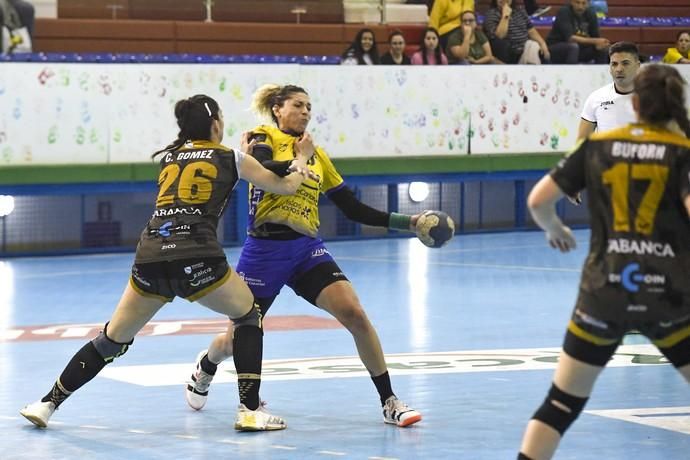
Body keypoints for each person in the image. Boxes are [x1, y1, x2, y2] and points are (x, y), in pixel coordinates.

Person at [19, 94, 315, 432]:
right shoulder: (230, 156)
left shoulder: (169, 157)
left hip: (151, 256)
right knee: (248, 314)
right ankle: (249, 410)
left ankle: (47, 403)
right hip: (197, 256)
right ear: (216, 124)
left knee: (110, 340)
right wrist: (301, 159)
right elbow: (283, 185)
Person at [184, 84, 424, 428]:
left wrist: (408, 222)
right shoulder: (262, 135)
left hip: (306, 249)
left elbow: (352, 208)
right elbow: (265, 165)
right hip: (264, 251)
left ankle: (389, 400)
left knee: (355, 314)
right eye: (298, 105)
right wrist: (298, 159)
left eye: (309, 107)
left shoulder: (318, 155)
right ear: (278, 109)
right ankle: (208, 363)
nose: (306, 112)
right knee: (237, 338)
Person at [517, 63, 690, 460]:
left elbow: (538, 201)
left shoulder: (597, 147)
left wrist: (555, 229)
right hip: (669, 297)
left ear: (636, 106)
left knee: (561, 404)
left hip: (604, 293)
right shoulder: (682, 154)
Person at [578, 42, 640, 140]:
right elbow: (581, 143)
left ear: (637, 66)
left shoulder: (652, 99)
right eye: (614, 64)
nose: (619, 69)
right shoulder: (596, 98)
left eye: (625, 63)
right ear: (610, 68)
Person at [484, 0, 550, 64]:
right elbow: (500, 36)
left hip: (525, 51)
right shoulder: (491, 14)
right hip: (509, 56)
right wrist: (505, 16)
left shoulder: (520, 12)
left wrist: (542, 43)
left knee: (533, 45)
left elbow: (532, 31)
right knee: (532, 47)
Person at [546, 0, 610, 64]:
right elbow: (571, 38)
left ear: (588, 4)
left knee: (602, 48)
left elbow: (596, 38)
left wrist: (600, 43)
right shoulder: (564, 12)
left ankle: (600, 73)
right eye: (577, 2)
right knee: (573, 47)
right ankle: (572, 73)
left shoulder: (591, 14)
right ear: (572, 2)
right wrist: (595, 41)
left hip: (580, 49)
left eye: (584, 3)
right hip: (556, 48)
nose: (580, 7)